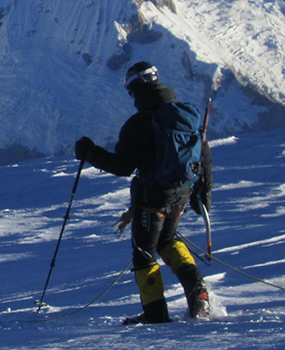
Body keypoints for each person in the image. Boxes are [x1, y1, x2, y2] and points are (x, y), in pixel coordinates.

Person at [74, 62, 213, 325]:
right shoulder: (185, 115)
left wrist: (89, 152)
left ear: (136, 88)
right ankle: (198, 290)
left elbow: (123, 166)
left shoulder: (139, 124)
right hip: (181, 194)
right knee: (167, 241)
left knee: (144, 253)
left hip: (151, 198)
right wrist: (202, 195)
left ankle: (155, 314)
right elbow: (203, 153)